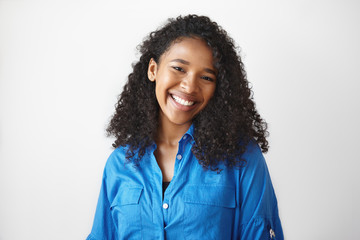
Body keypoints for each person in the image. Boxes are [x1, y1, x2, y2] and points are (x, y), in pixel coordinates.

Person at [87, 14, 283, 240]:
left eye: (207, 77)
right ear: (153, 70)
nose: (189, 86)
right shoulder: (120, 163)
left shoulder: (242, 158)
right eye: (179, 68)